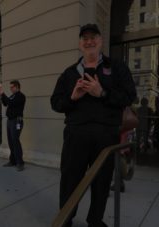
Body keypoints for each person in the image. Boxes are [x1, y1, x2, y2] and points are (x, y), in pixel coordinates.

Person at [50, 23, 136, 227]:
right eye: (84, 38)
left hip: (106, 136)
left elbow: (130, 95)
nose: (89, 41)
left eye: (93, 37)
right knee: (70, 180)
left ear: (100, 41)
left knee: (102, 182)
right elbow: (55, 103)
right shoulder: (69, 73)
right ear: (80, 44)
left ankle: (95, 221)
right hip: (75, 135)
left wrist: (102, 93)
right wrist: (72, 98)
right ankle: (66, 219)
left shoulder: (116, 67)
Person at [0, 80, 27, 171]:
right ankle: (13, 160)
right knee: (11, 141)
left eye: (12, 87)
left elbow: (10, 102)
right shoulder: (12, 96)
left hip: (16, 121)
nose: (10, 88)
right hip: (10, 121)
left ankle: (20, 163)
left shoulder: (20, 96)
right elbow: (6, 103)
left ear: (17, 87)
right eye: (10, 87)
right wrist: (1, 95)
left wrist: (3, 94)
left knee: (15, 140)